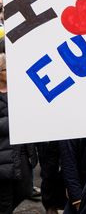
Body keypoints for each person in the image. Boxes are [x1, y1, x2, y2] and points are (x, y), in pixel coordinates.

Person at [0, 52, 38, 213]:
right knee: (5, 202)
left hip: (22, 153)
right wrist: (15, 121)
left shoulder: (19, 89)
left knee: (25, 190)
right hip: (3, 157)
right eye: (7, 69)